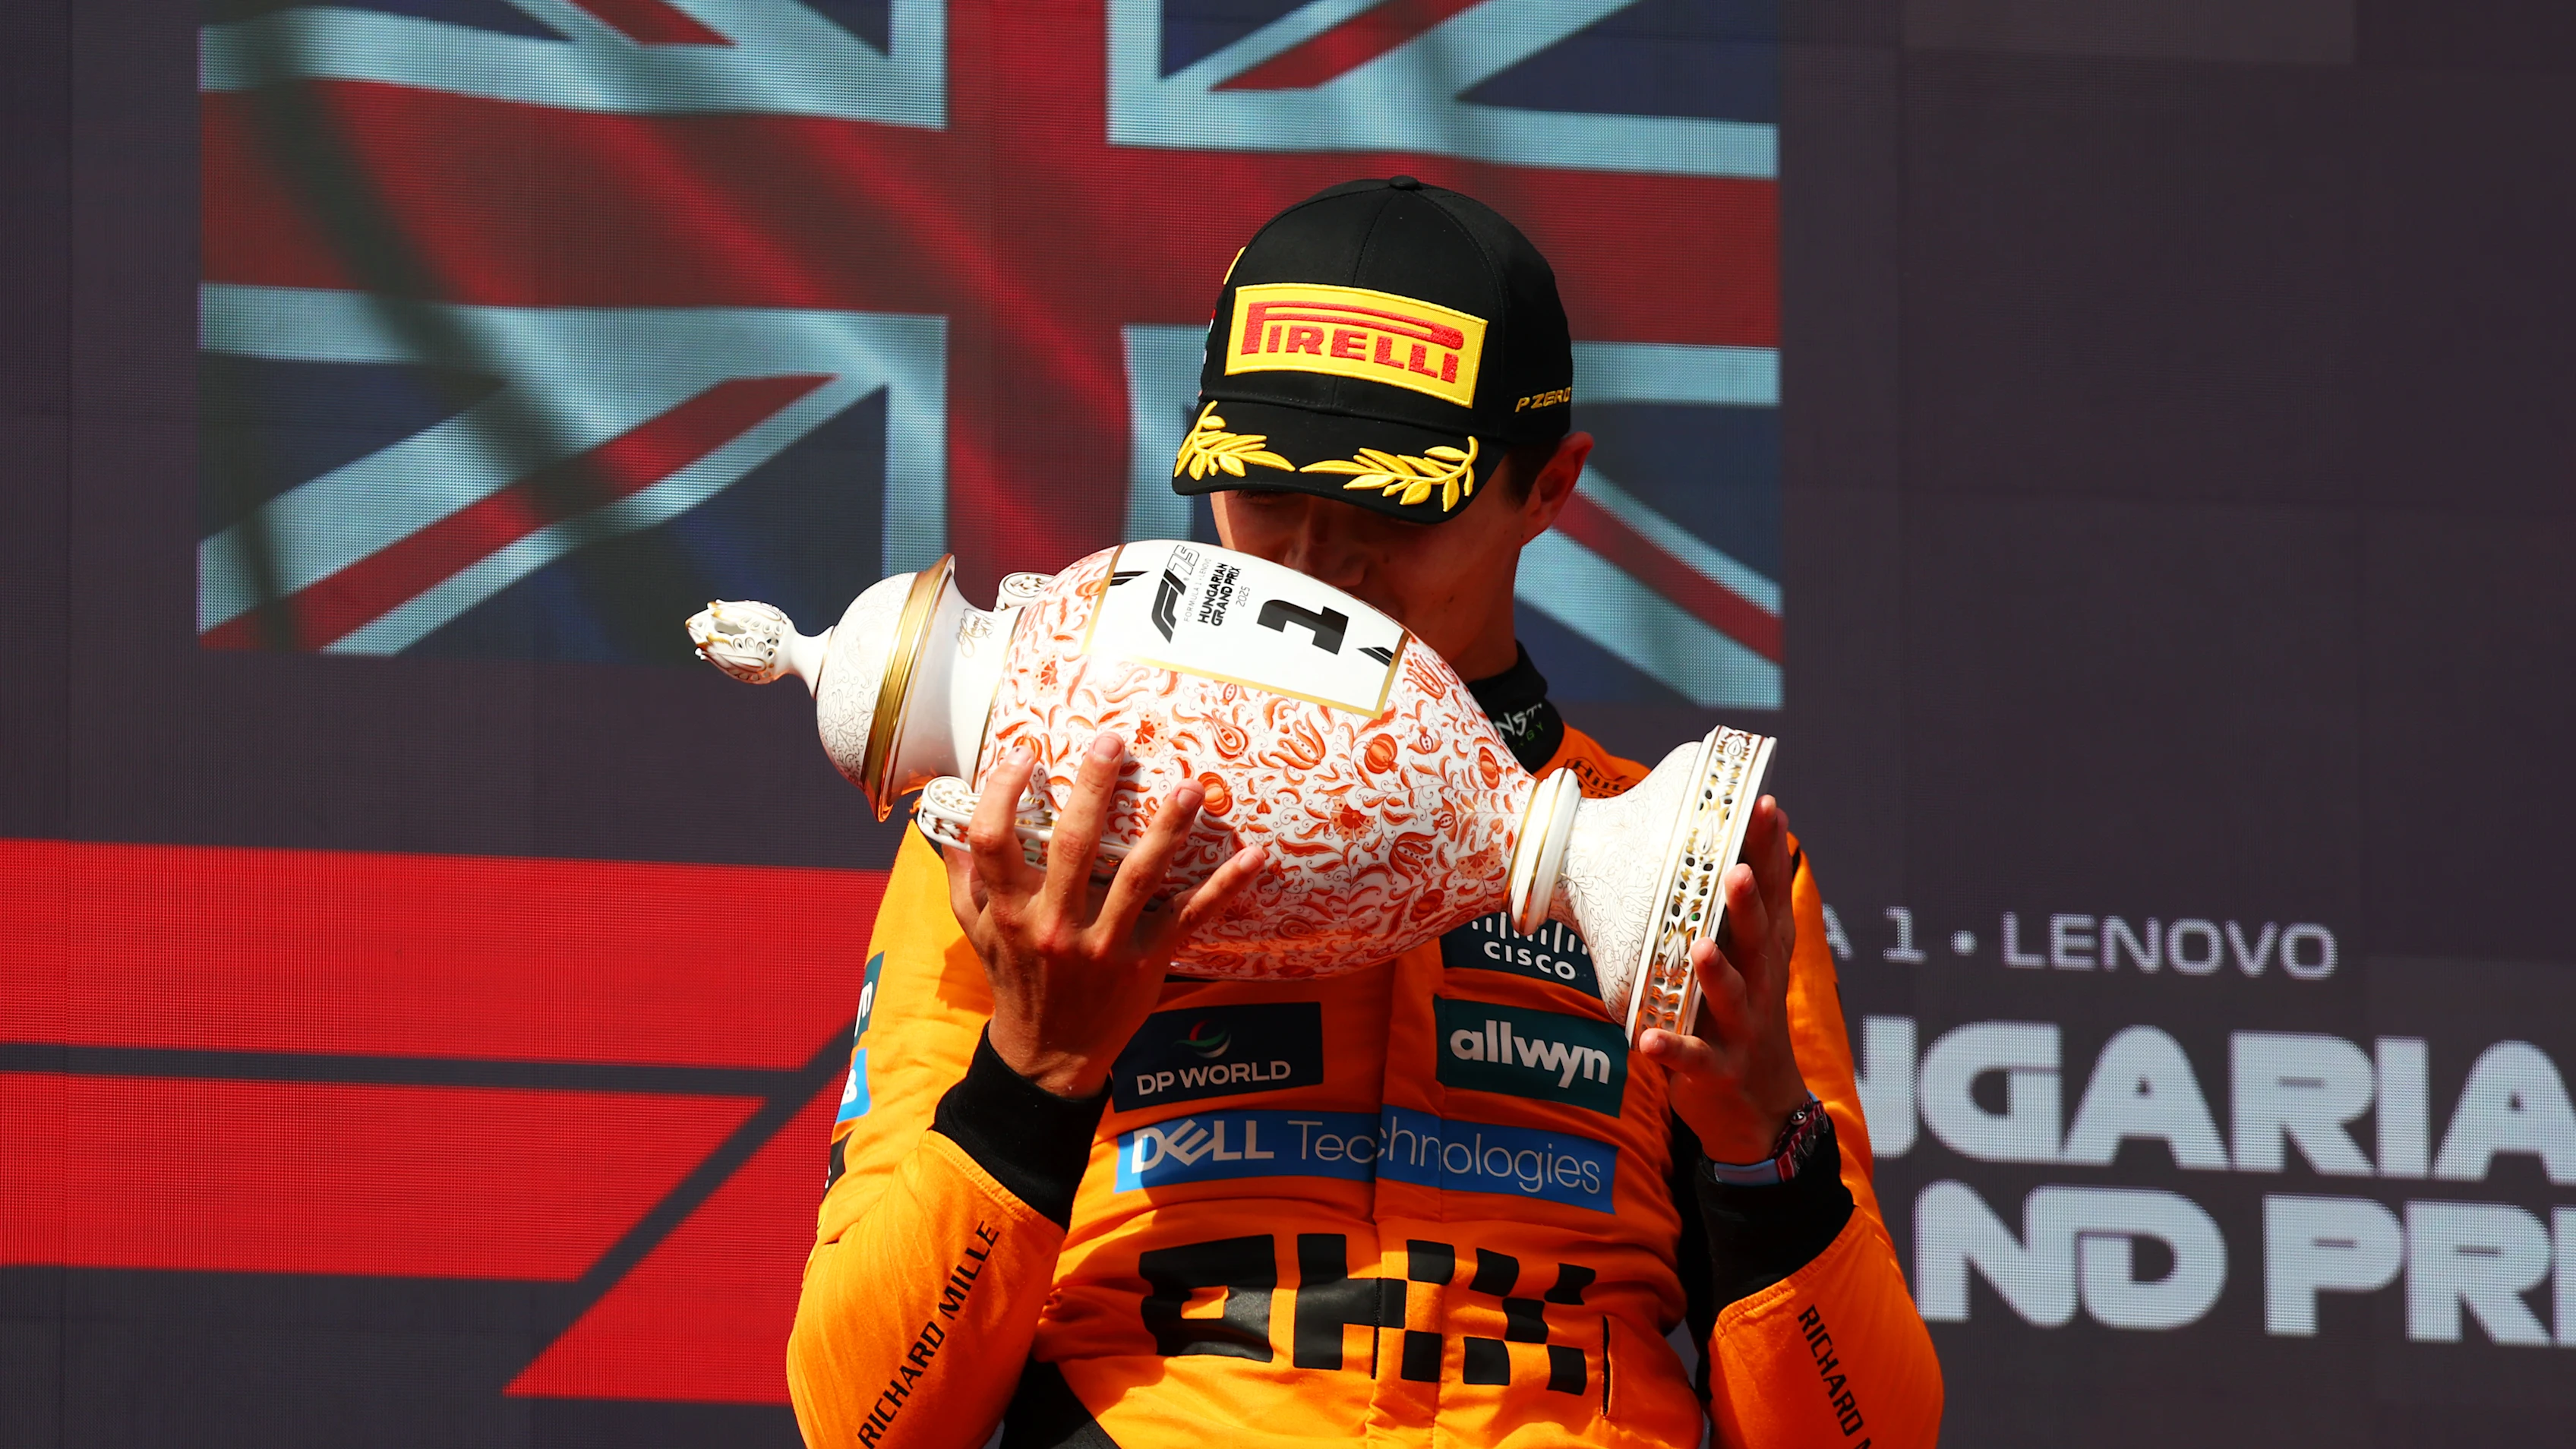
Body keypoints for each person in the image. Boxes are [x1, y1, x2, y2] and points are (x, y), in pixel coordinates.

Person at [787, 178, 1942, 1448]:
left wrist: (1763, 1155)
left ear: (1550, 487)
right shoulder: (1028, 836)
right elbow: (859, 1420)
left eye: (1390, 501)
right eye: (1262, 488)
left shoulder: (1688, 874)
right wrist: (1034, 1073)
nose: (1308, 557)